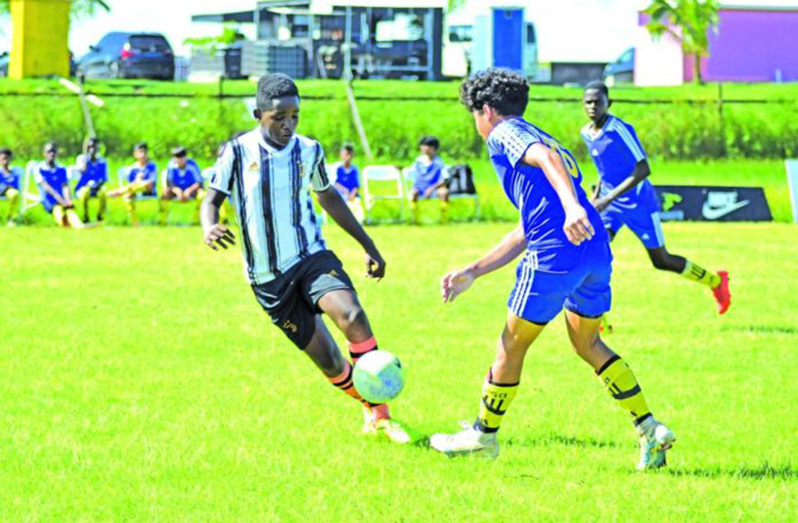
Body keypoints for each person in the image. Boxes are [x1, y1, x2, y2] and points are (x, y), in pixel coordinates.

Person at [429, 68, 674, 470]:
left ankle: (483, 436)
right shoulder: (543, 136)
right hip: (593, 249)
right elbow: (529, 224)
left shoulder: (505, 133)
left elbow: (544, 166)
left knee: (511, 344)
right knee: (588, 344)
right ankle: (650, 428)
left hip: (556, 254)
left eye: (474, 114)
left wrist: (574, 206)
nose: (476, 123)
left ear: (486, 110)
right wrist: (473, 270)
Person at [201, 73, 409, 443]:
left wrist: (368, 245)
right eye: (279, 117)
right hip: (267, 278)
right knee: (329, 361)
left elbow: (328, 197)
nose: (288, 124)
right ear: (258, 113)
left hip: (310, 256)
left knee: (353, 315)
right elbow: (211, 199)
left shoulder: (309, 150)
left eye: (295, 116)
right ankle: (368, 405)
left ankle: (383, 415)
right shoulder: (237, 152)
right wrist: (209, 226)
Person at [581, 81, 730, 322]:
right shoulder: (586, 133)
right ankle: (596, 321)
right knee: (593, 249)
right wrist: (597, 195)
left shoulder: (620, 129)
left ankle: (715, 280)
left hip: (639, 204)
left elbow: (643, 168)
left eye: (598, 101)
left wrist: (607, 197)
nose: (592, 106)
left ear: (610, 103)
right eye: (587, 102)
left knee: (661, 260)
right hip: (610, 206)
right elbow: (604, 169)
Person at [108, 142, 157, 226]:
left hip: (148, 191)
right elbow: (124, 180)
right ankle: (135, 223)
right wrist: (137, 181)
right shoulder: (132, 168)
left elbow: (152, 183)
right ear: (135, 154)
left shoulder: (151, 166)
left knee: (146, 183)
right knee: (127, 197)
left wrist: (141, 180)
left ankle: (120, 192)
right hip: (134, 191)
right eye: (140, 152)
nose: (143, 154)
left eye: (145, 152)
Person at [34, 142, 83, 228]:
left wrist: (67, 200)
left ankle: (79, 225)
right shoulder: (39, 168)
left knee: (70, 210)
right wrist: (61, 200)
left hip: (62, 198)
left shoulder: (61, 168)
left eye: (53, 151)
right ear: (44, 154)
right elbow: (46, 187)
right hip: (49, 199)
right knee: (58, 210)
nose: (51, 154)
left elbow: (65, 186)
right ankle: (64, 222)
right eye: (49, 152)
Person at [408, 135, 449, 224]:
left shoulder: (439, 162)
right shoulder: (418, 161)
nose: (422, 148)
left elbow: (445, 179)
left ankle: (443, 219)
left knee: (444, 193)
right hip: (420, 188)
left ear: (432, 148)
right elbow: (409, 172)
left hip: (434, 188)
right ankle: (415, 219)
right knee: (413, 193)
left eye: (424, 145)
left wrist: (432, 188)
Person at [159, 146, 204, 225]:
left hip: (192, 190)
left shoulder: (192, 165)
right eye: (177, 157)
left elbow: (199, 182)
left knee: (202, 195)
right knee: (164, 193)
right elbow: (169, 183)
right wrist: (177, 191)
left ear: (186, 157)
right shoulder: (171, 165)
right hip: (176, 190)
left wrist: (188, 191)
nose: (179, 160)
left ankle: (196, 221)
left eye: (182, 157)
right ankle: (163, 220)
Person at [74, 137, 108, 223]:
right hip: (83, 187)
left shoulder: (102, 161)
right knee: (85, 193)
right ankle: (85, 216)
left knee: (103, 192)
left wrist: (96, 185)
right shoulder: (82, 159)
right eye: (89, 147)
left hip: (97, 187)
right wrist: (86, 160)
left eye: (94, 147)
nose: (92, 149)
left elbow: (104, 178)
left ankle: (100, 216)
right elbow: (82, 170)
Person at [332, 143, 364, 224]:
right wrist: (345, 191)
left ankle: (360, 221)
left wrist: (352, 195)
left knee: (356, 206)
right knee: (347, 207)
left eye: (348, 155)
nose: (347, 157)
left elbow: (357, 185)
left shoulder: (354, 169)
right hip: (342, 196)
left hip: (353, 196)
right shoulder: (338, 169)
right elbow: (336, 184)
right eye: (344, 154)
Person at [0, 147, 22, 226]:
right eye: (3, 158)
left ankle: (11, 217)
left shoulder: (15, 172)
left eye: (7, 158)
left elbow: (15, 186)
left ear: (10, 159)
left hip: (9, 192)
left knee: (14, 194)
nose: (5, 161)